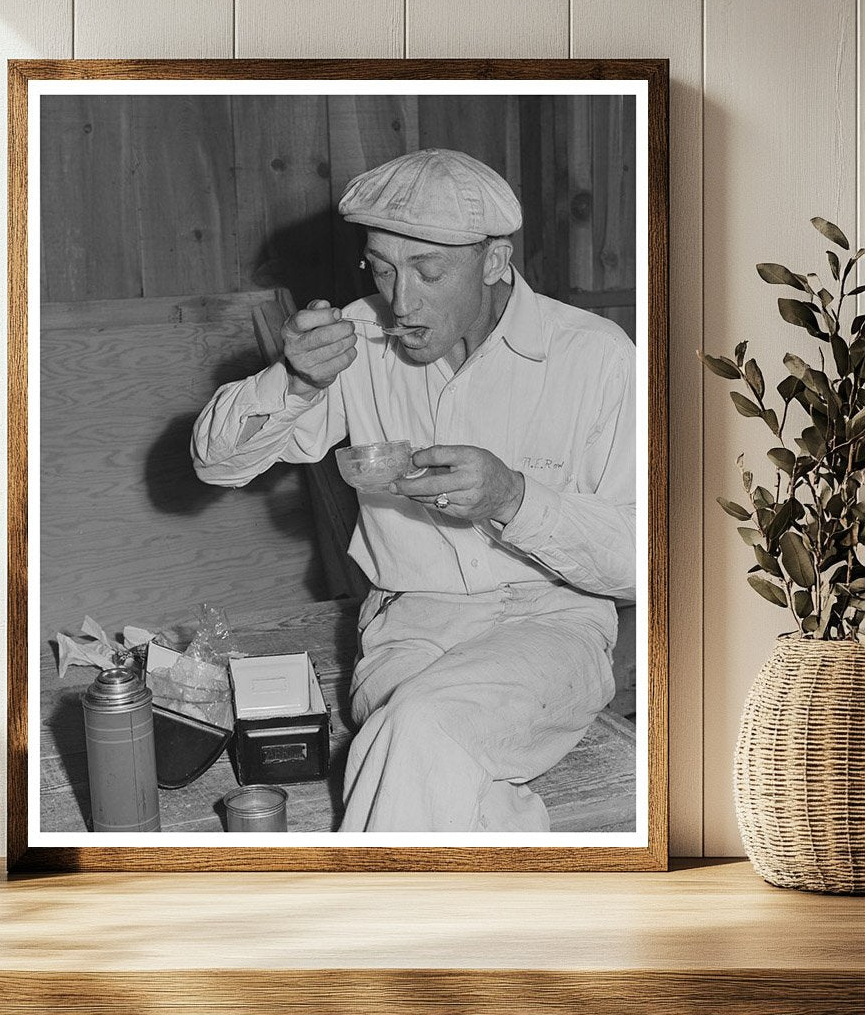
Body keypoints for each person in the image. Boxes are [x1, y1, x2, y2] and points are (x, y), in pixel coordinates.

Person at [191, 148, 636, 833]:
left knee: (418, 724)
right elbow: (216, 462)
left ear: (495, 260)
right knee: (431, 756)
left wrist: (514, 498)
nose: (401, 300)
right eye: (382, 267)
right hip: (407, 624)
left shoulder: (595, 356)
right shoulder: (358, 339)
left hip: (550, 625)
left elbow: (639, 564)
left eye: (429, 271)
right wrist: (295, 380)